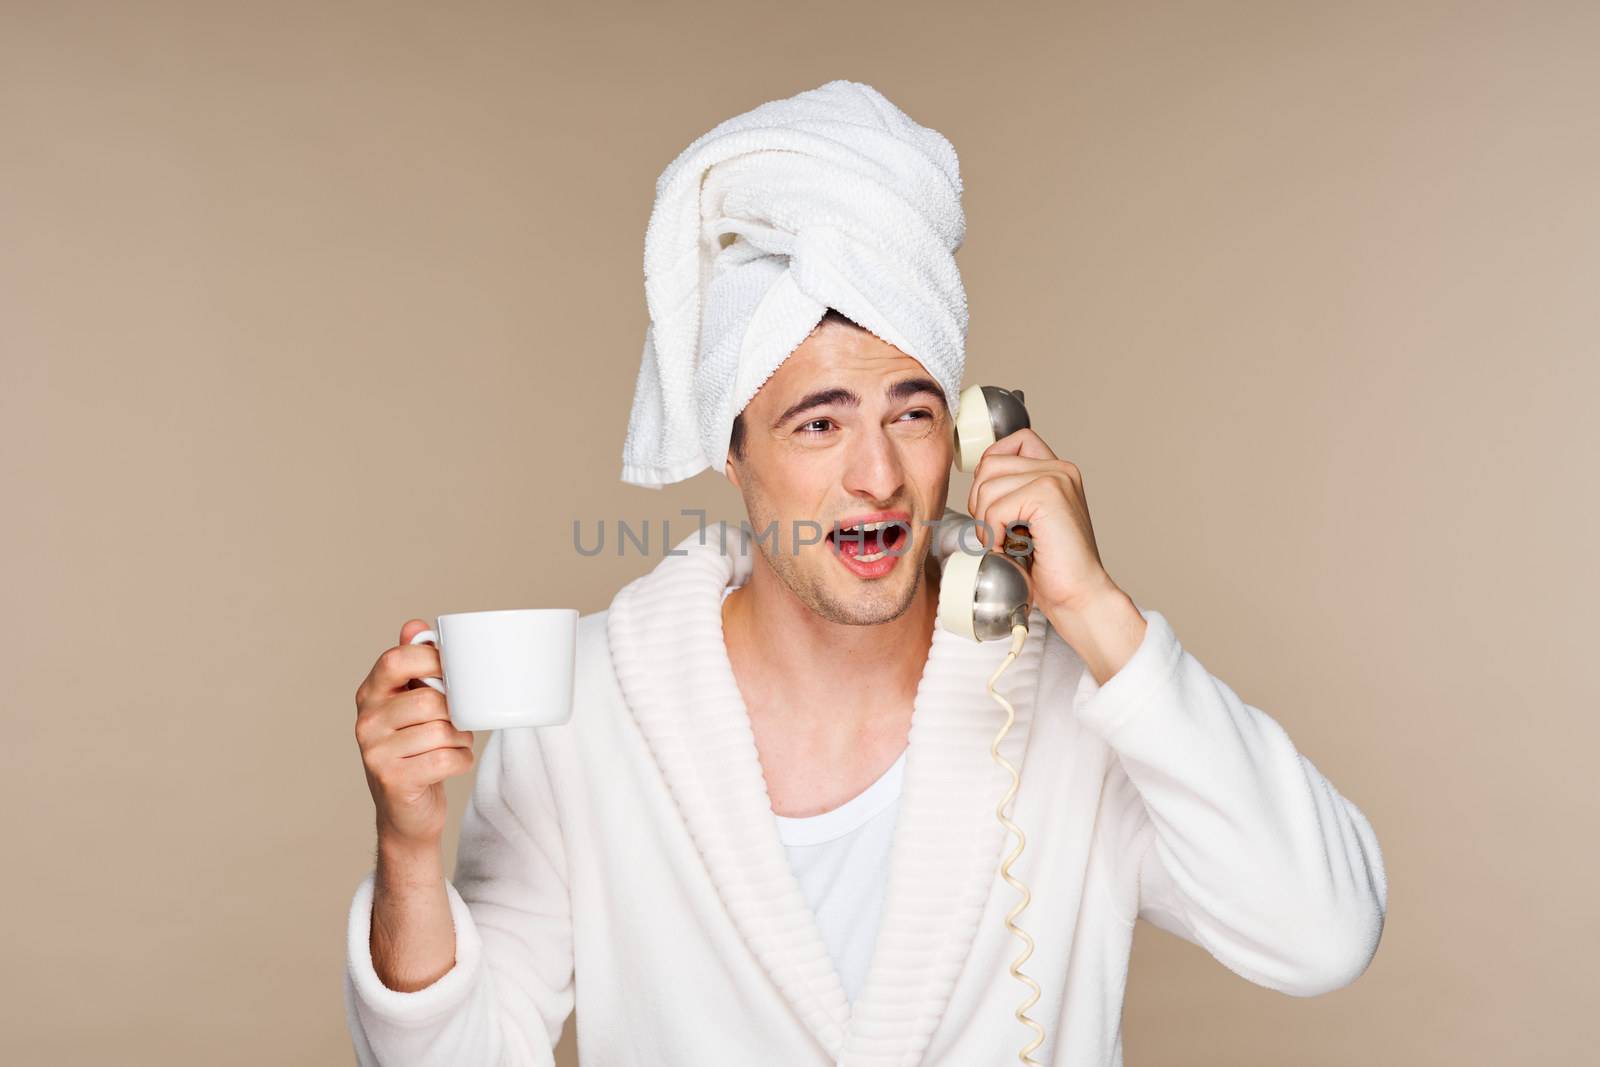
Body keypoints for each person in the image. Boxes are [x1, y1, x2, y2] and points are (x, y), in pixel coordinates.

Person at [343, 82, 1387, 1067]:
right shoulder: (585, 707)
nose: (878, 474)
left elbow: (1323, 934)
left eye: (912, 411)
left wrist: (1097, 614)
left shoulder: (1070, 697)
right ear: (730, 447)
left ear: (967, 432)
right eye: (819, 422)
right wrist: (409, 840)